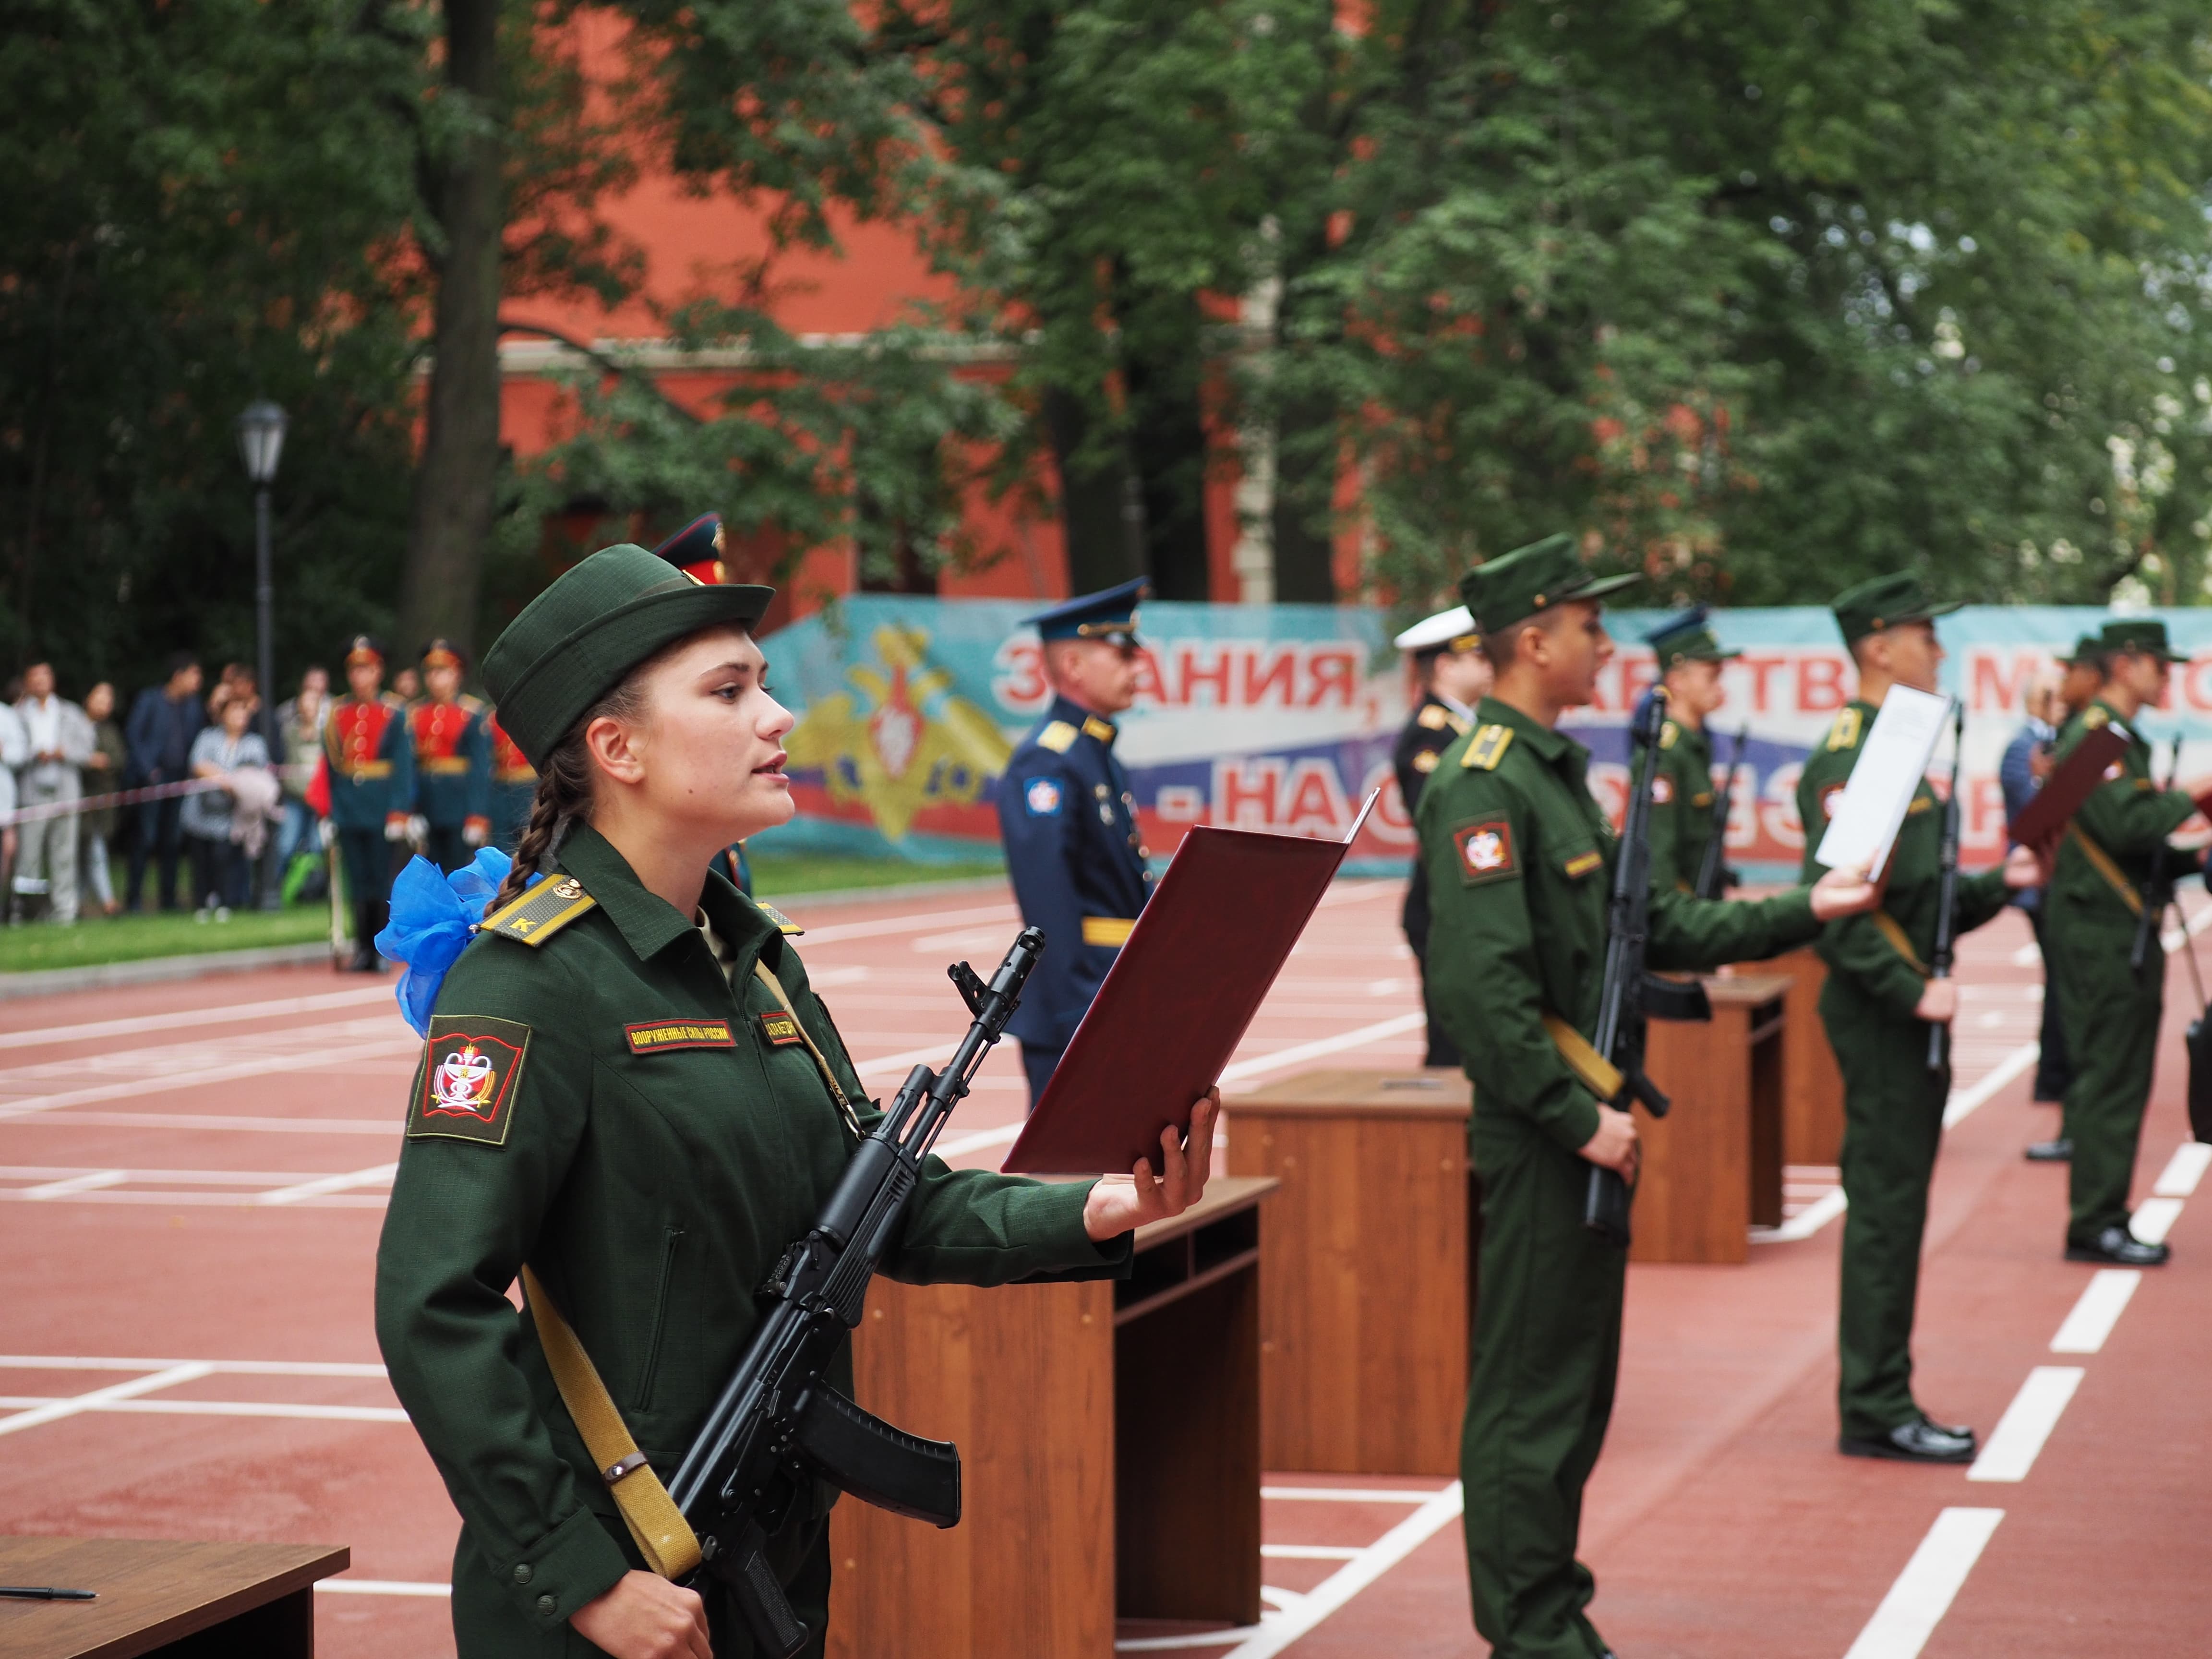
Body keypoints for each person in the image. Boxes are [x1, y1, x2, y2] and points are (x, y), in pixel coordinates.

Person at [373, 541, 1219, 1659]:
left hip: (767, 1558)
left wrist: (1099, 1208)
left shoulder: (756, 960)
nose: (779, 715)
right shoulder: (532, 980)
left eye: (763, 682)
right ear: (614, 746)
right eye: (730, 691)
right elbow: (433, 1300)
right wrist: (577, 1577)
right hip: (613, 1595)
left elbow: (878, 1199)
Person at [1418, 533, 1881, 1659]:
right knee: (1532, 1393)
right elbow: (1484, 993)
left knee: (1574, 1389)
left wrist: (1804, 907)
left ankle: (1552, 1605)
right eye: (1589, 624)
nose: (1608, 642)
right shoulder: (1483, 781)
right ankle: (1531, 1628)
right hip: (1546, 1131)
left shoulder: (1551, 773)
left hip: (1583, 1122)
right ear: (1533, 639)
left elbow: (1656, 922)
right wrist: (1582, 1118)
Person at [1795, 575, 2040, 1467]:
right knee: (1886, 1212)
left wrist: (1990, 889)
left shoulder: (1898, 745)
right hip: (1878, 1014)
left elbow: (1917, 901)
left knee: (1897, 1207)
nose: (1936, 649)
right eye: (1920, 634)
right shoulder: (1854, 755)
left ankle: (1881, 1392)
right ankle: (1872, 1404)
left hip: (1902, 1009)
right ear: (1875, 646)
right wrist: (1908, 990)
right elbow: (1839, 908)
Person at [2043, 616, 2206, 1267]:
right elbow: (2129, 828)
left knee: (2115, 1073)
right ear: (2126, 664)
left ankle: (2102, 1211)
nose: (2166, 677)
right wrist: (2194, 793)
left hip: (2113, 924)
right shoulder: (2099, 737)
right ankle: (2096, 1220)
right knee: (2111, 1076)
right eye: (2159, 666)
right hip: (2101, 932)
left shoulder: (2114, 738)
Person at [992, 578, 1154, 1106]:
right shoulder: (1048, 762)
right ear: (1074, 667)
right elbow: (1050, 908)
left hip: (1117, 993)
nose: (1138, 668)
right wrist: (1081, 1018)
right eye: (1123, 656)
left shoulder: (1097, 755)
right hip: (1082, 1006)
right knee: (1077, 1180)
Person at [1391, 603, 1492, 1068]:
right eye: (1477, 656)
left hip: (1464, 906)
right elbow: (1440, 824)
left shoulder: (1468, 727)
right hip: (1444, 908)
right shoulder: (1431, 735)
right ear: (1447, 666)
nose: (1488, 664)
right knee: (1452, 1049)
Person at [2000, 664, 2072, 1154]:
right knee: (2062, 986)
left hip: (2051, 882)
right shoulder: (2021, 748)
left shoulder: (2050, 744)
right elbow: (2033, 810)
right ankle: (2053, 1079)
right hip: (2036, 884)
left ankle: (2054, 1078)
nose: (2061, 702)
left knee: (2063, 987)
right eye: (2052, 695)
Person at [325, 636, 415, 971]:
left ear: (378, 671)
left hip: (380, 806)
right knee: (357, 880)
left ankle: (380, 950)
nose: (359, 676)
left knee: (380, 878)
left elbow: (403, 767)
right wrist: (329, 811)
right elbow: (332, 769)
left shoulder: (394, 712)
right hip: (349, 807)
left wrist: (399, 810)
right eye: (355, 669)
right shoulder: (338, 712)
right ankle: (362, 947)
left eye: (366, 668)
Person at [1641, 607, 1741, 898]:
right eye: (1711, 678)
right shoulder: (1666, 755)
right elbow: (1659, 864)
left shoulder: (1695, 745)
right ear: (1676, 682)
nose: (1719, 689)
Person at [12, 663, 94, 924]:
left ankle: (64, 913)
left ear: (53, 680)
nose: (40, 682)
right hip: (32, 792)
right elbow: (12, 751)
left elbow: (87, 751)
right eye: (34, 678)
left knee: (64, 854)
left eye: (44, 676)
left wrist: (63, 752)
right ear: (27, 683)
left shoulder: (71, 712)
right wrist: (33, 754)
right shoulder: (18, 714)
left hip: (66, 791)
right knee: (29, 856)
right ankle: (25, 913)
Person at [125, 653, 206, 911]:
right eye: (194, 675)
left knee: (172, 841)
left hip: (180, 782)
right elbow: (134, 736)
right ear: (178, 676)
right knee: (145, 839)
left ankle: (168, 900)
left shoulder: (193, 706)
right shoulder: (150, 700)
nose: (198, 682)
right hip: (153, 781)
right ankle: (134, 900)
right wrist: (149, 771)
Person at [181, 693, 274, 917]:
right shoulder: (207, 737)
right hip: (201, 812)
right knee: (202, 860)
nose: (239, 717)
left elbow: (256, 773)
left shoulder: (255, 743)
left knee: (225, 859)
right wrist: (229, 780)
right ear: (223, 715)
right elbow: (198, 764)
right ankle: (201, 903)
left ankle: (225, 902)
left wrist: (224, 780)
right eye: (234, 711)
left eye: (243, 712)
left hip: (232, 816)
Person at [409, 639, 493, 874]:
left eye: (442, 671)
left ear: (457, 674)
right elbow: (411, 768)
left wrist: (477, 814)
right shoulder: (415, 713)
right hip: (428, 805)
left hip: (459, 805)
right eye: (431, 672)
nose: (435, 678)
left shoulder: (472, 713)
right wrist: (412, 810)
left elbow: (480, 768)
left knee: (459, 873)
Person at [275, 667, 331, 896]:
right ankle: (275, 888)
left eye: (313, 705)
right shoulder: (288, 733)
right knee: (286, 845)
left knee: (317, 847)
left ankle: (310, 893)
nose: (308, 710)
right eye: (304, 705)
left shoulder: (327, 735)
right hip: (295, 799)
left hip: (319, 802)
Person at [80, 682, 125, 917]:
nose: (105, 704)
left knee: (93, 852)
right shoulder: (75, 725)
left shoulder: (110, 730)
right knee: (88, 853)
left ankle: (78, 903)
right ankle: (106, 902)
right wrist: (89, 761)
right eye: (100, 698)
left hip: (102, 803)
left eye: (109, 700)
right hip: (79, 802)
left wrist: (104, 763)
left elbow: (119, 759)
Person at [487, 711, 536, 855]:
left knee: (532, 847)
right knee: (502, 848)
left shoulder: (533, 718)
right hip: (501, 790)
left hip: (529, 789)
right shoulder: (489, 720)